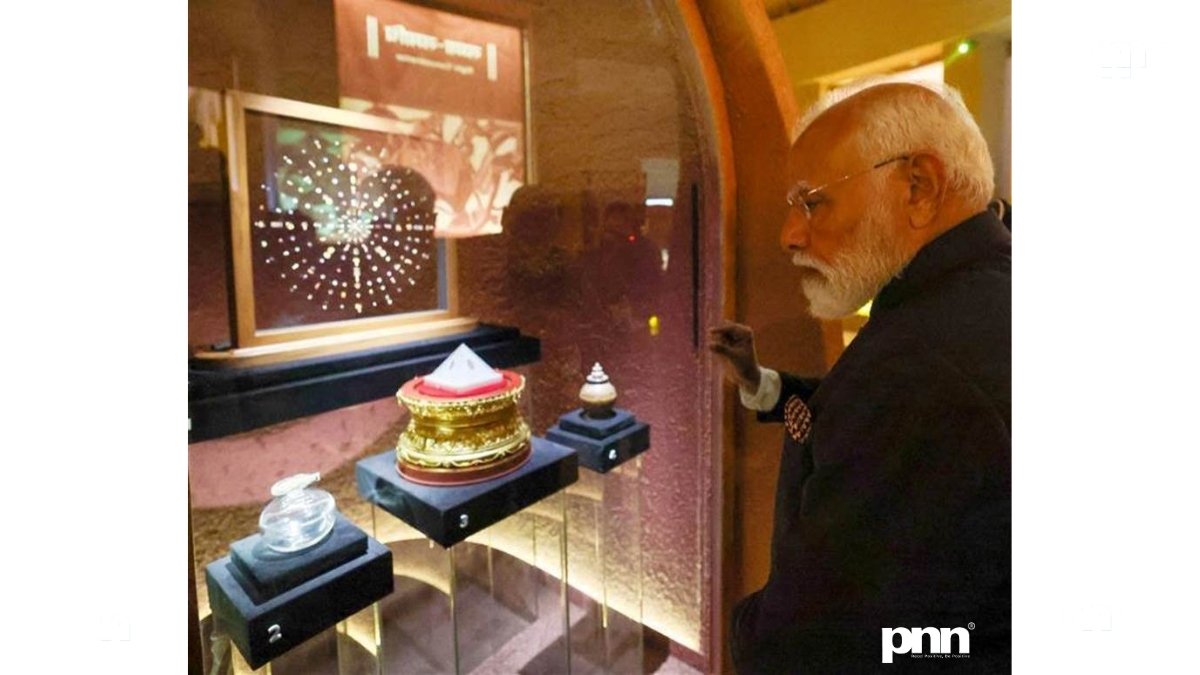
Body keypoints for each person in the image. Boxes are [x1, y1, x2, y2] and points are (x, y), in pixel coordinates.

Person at [709, 81, 1011, 673]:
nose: (789, 234)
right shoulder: (980, 293)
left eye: (812, 201)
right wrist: (760, 381)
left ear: (918, 187)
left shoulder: (916, 368)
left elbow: (814, 646)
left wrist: (741, 626)